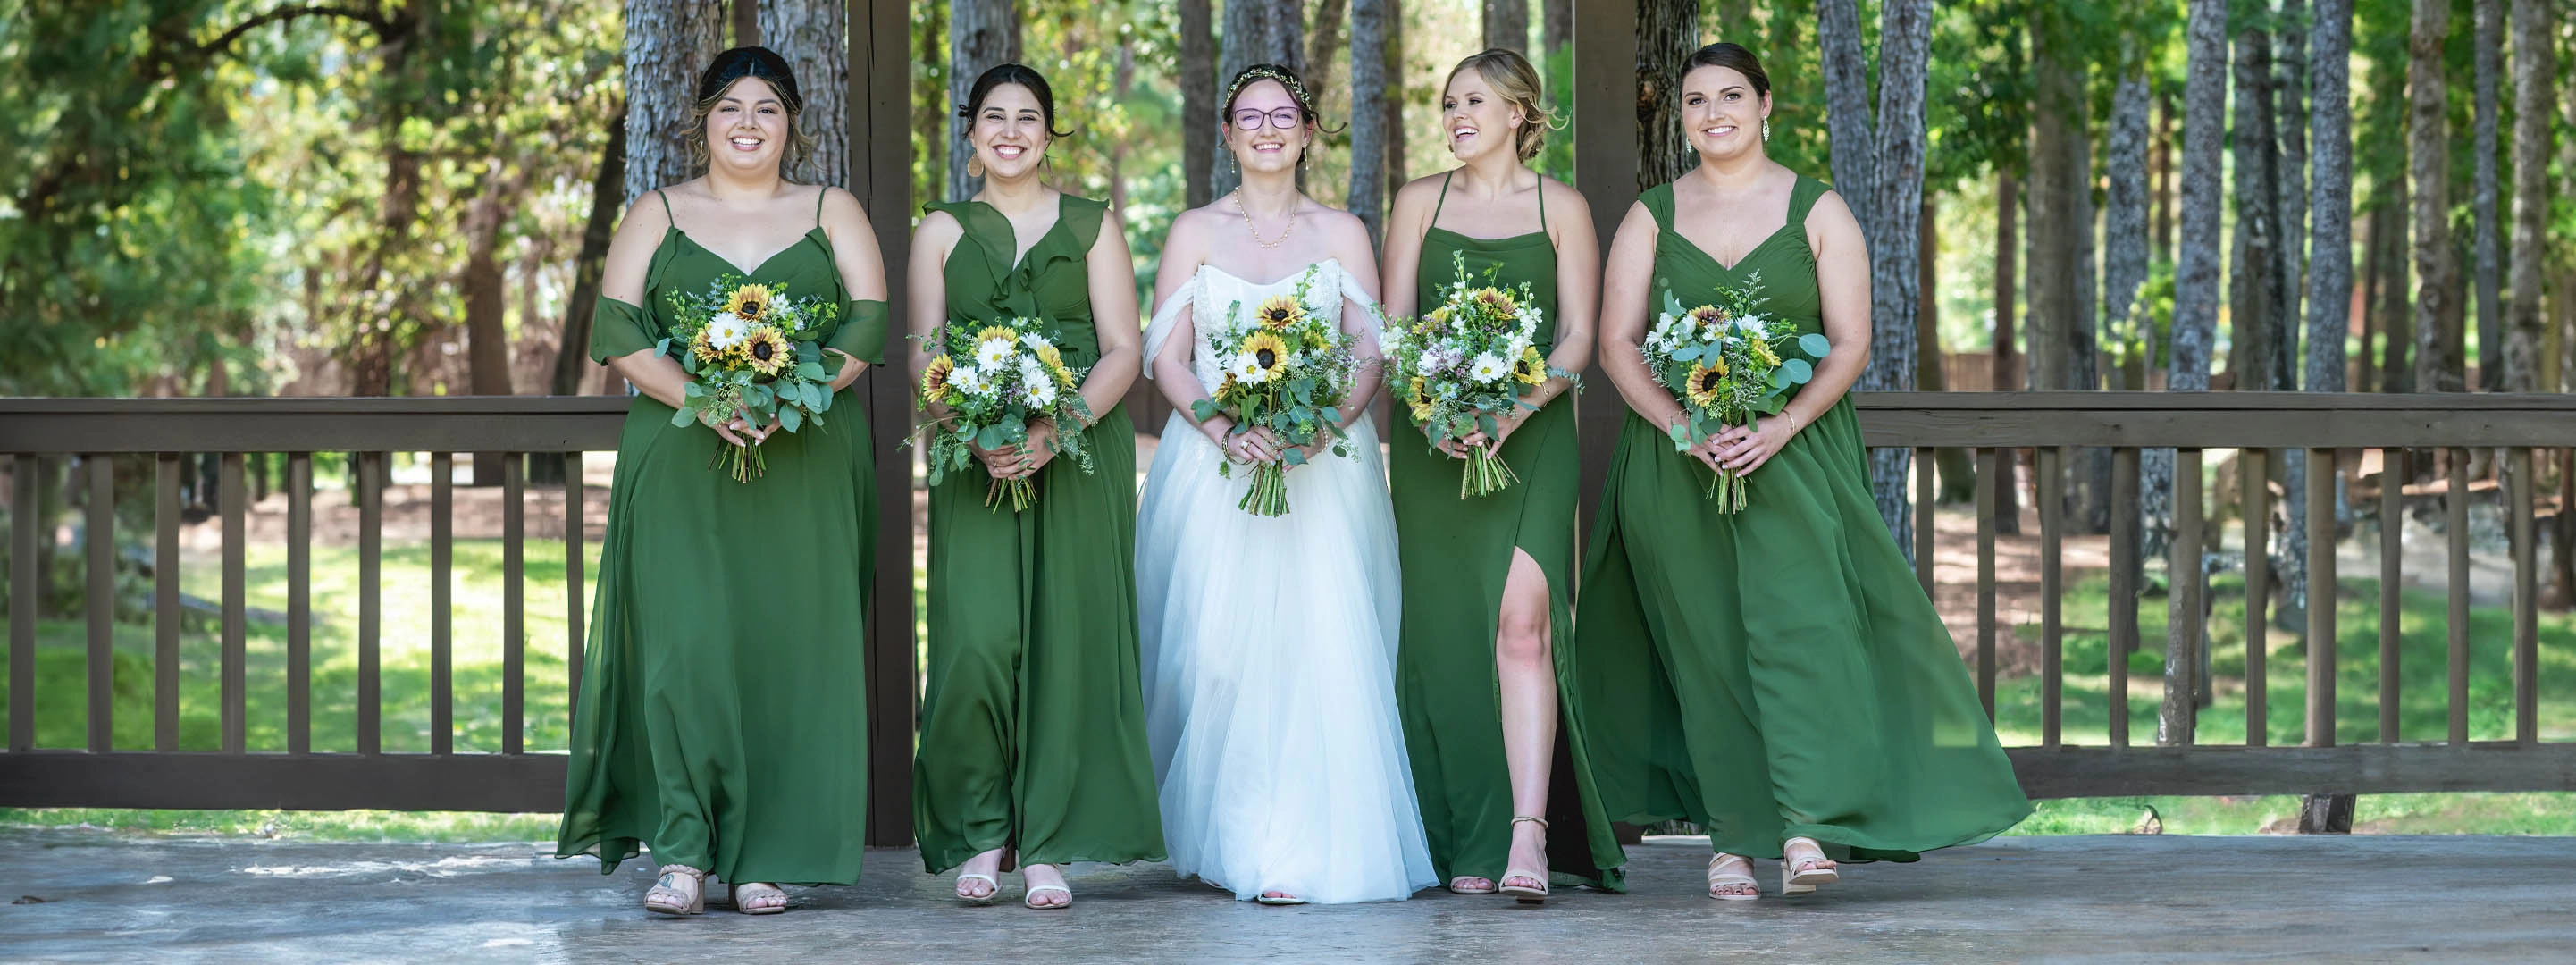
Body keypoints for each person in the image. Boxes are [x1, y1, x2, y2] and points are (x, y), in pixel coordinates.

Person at [1575, 42, 2034, 901]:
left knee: (1804, 636)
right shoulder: (1651, 215)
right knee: (1707, 648)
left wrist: (1778, 426)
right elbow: (1613, 343)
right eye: (1696, 101)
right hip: (1677, 466)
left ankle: (1806, 826)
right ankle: (1730, 841)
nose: (1713, 113)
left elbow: (1851, 342)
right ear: (1679, 118)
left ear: (1765, 106)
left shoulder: (1817, 209)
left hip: (1792, 459)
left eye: (1731, 96)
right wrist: (1682, 427)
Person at [557, 46, 890, 917]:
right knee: (683, 651)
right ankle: (682, 850)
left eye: (768, 108)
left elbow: (870, 319)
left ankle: (764, 856)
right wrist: (703, 399)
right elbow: (618, 328)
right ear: (700, 118)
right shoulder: (657, 212)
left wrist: (797, 393)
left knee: (791, 649)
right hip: (680, 458)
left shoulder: (832, 209)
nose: (749, 124)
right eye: (731, 107)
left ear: (793, 125)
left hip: (806, 456)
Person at [1135, 63, 1438, 906]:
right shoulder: (1192, 230)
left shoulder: (1343, 231)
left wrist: (1316, 430)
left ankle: (1296, 849)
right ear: (1227, 134)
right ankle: (1224, 838)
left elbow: (1369, 352)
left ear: (1308, 131)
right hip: (1213, 465)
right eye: (1248, 117)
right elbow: (1165, 352)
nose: (1266, 129)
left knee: (1318, 648)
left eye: (1282, 116)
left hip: (1320, 469)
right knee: (1219, 654)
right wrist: (1226, 428)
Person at [906, 63, 1165, 911]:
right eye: (993, 116)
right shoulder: (940, 228)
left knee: (1068, 645)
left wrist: (1056, 433)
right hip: (971, 459)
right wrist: (972, 429)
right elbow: (923, 349)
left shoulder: (1093, 223)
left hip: (1078, 458)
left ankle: (1051, 841)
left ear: (1050, 133)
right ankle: (983, 832)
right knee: (977, 646)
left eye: (1027, 117)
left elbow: (1123, 348)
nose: (1010, 131)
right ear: (971, 131)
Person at [1376, 48, 1624, 902]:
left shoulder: (1563, 207)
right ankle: (1462, 834)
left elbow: (1580, 337)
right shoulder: (1416, 202)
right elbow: (1396, 329)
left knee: (1523, 625)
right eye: (1447, 104)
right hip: (1432, 442)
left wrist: (1513, 409)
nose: (1454, 118)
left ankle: (1528, 834)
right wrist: (1432, 413)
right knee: (1445, 635)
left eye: (1472, 102)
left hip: (1532, 435)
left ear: (1519, 112)